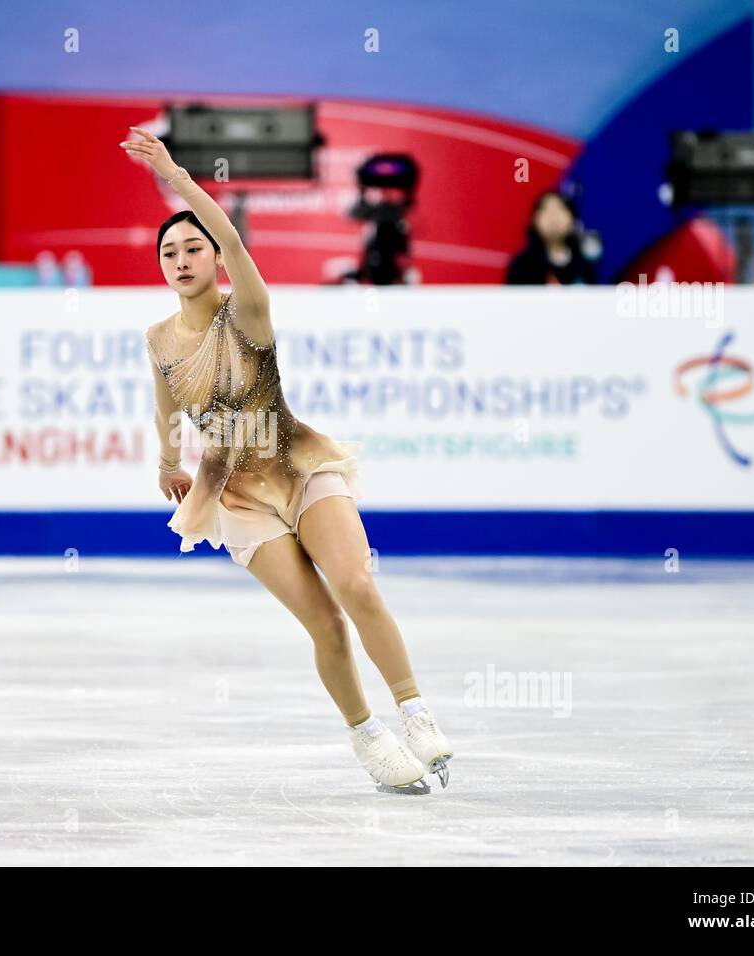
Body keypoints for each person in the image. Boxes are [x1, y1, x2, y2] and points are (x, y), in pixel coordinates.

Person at [120, 126, 453, 794]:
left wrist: (179, 178)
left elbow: (237, 241)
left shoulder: (248, 309)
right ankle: (367, 736)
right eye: (169, 253)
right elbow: (169, 409)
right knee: (323, 622)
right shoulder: (157, 338)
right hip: (236, 494)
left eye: (193, 248)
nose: (181, 260)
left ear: (216, 259)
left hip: (297, 463)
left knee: (355, 585)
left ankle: (413, 710)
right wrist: (165, 464)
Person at [505, 189, 597, 285]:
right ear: (534, 220)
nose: (553, 216)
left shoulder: (583, 264)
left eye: (561, 208)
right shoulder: (522, 266)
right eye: (545, 209)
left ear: (573, 219)